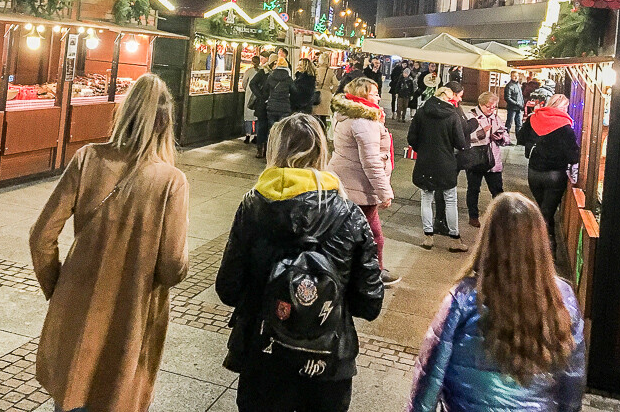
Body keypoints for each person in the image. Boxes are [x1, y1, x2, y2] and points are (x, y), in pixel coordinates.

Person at [30, 74, 189, 412]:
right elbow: (173, 267)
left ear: (124, 112)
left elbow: (41, 237)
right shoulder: (171, 181)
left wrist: (57, 287)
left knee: (73, 392)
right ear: (165, 123)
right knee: (117, 393)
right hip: (132, 310)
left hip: (78, 302)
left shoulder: (88, 158)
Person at [216, 113, 384, 412]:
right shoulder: (350, 214)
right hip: (328, 359)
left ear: (274, 151)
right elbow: (370, 303)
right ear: (323, 152)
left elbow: (228, 288)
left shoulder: (253, 206)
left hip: (263, 353)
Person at [407, 193, 586, 412]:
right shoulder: (562, 297)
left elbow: (430, 375)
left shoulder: (463, 300)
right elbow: (572, 379)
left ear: (487, 238)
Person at [329, 78, 400, 287]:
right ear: (362, 95)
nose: (378, 97)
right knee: (372, 235)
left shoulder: (349, 115)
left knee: (354, 232)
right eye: (373, 93)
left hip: (346, 182)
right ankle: (371, 273)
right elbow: (371, 162)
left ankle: (361, 271)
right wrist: (384, 192)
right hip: (358, 187)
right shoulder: (364, 122)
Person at [408, 86, 469, 252]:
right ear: (449, 98)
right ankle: (455, 239)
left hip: (425, 162)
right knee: (450, 199)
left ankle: (428, 237)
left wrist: (423, 149)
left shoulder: (421, 112)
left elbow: (411, 137)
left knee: (426, 198)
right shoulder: (452, 115)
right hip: (446, 163)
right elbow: (461, 143)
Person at [517, 94, 579, 253]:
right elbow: (573, 155)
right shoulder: (565, 127)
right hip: (554, 175)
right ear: (562, 107)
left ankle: (540, 249)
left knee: (543, 212)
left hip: (534, 173)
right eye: (566, 107)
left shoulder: (533, 118)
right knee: (546, 214)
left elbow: (521, 138)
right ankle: (546, 253)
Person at [464, 91, 510, 228]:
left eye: (494, 107)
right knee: (473, 189)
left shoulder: (496, 118)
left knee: (497, 190)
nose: (491, 109)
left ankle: (500, 217)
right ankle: (473, 216)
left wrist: (501, 138)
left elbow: (507, 137)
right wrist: (482, 133)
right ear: (480, 104)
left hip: (493, 160)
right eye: (488, 106)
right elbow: (465, 137)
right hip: (476, 159)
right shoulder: (471, 116)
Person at [264, 55, 297, 139]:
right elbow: (294, 92)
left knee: (271, 130)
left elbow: (265, 90)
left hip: (272, 106)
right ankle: (280, 149)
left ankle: (270, 148)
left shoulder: (270, 77)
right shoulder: (289, 79)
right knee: (282, 130)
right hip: (284, 108)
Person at [250, 54, 273, 159]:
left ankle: (267, 149)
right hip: (263, 104)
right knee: (262, 126)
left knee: (269, 127)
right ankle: (260, 149)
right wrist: (261, 96)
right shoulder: (263, 72)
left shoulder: (277, 73)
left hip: (272, 104)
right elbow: (252, 83)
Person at [312, 52, 338, 126]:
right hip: (326, 95)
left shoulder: (315, 70)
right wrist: (331, 91)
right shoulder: (330, 72)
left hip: (316, 94)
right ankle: (324, 132)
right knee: (323, 117)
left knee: (315, 116)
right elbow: (336, 84)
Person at [241, 55, 262, 144]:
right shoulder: (262, 71)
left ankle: (247, 135)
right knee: (257, 117)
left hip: (249, 96)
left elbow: (244, 83)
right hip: (259, 96)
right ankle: (256, 135)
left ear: (252, 62)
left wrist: (247, 90)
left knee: (248, 117)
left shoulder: (249, 71)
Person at [503, 71, 525, 139]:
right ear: (511, 76)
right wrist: (517, 103)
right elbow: (507, 98)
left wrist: (522, 103)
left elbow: (520, 96)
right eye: (514, 76)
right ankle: (505, 139)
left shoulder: (518, 85)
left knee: (519, 124)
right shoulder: (509, 86)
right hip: (512, 108)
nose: (515, 77)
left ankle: (519, 140)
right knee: (509, 123)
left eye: (517, 76)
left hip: (518, 108)